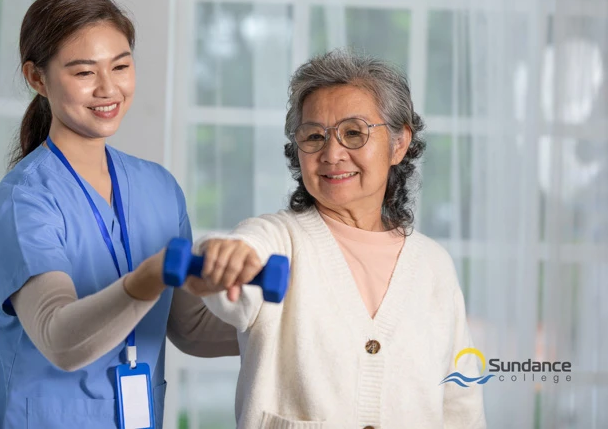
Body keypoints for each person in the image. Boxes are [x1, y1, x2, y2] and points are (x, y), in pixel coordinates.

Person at [0, 0, 238, 429]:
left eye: (121, 66)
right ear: (37, 78)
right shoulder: (24, 203)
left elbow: (189, 327)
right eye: (83, 73)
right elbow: (60, 339)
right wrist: (149, 277)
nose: (107, 88)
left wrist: (297, 327)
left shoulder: (159, 188)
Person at [191, 50, 487, 428]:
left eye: (353, 133)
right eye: (314, 136)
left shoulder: (434, 266)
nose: (332, 153)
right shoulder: (279, 238)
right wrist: (218, 255)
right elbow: (236, 264)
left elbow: (461, 405)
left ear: (399, 145)